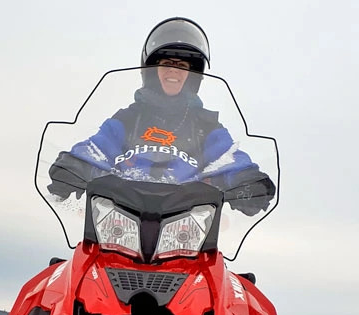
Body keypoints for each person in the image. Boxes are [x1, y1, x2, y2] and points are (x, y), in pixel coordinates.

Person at [47, 17, 275, 217]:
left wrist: (246, 181)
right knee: (75, 266)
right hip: (118, 217)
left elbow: (228, 157)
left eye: (182, 66)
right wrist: (74, 166)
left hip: (187, 225)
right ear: (152, 71)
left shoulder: (205, 125)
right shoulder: (128, 118)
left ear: (192, 75)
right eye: (167, 64)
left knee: (219, 268)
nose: (174, 71)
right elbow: (97, 148)